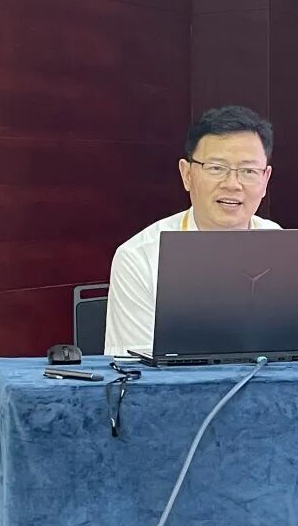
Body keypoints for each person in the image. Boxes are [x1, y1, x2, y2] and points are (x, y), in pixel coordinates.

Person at [103, 105, 281, 356]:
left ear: (265, 180)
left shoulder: (280, 246)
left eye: (248, 171)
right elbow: (132, 367)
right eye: (216, 168)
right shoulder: (140, 258)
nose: (232, 184)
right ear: (187, 174)